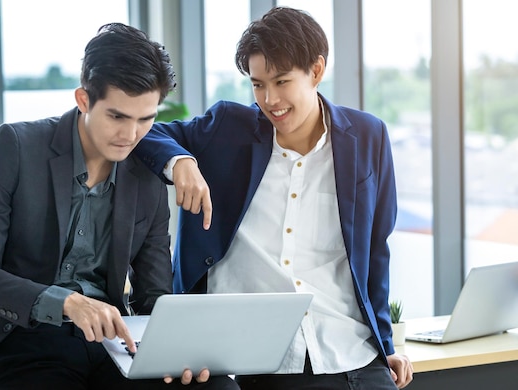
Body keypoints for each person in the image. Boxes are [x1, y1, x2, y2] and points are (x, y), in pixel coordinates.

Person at [0, 23, 238, 390]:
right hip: (23, 339)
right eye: (117, 117)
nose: (131, 135)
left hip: (113, 343)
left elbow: (153, 295)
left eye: (146, 119)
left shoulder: (146, 175)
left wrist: (180, 350)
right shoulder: (13, 148)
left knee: (218, 387)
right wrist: (67, 303)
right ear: (83, 99)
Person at [135, 6, 414, 389]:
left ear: (316, 71)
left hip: (350, 351)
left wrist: (385, 345)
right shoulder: (227, 129)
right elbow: (141, 131)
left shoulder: (368, 137)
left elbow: (375, 252)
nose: (269, 100)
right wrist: (180, 160)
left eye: (282, 82)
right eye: (257, 84)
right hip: (257, 357)